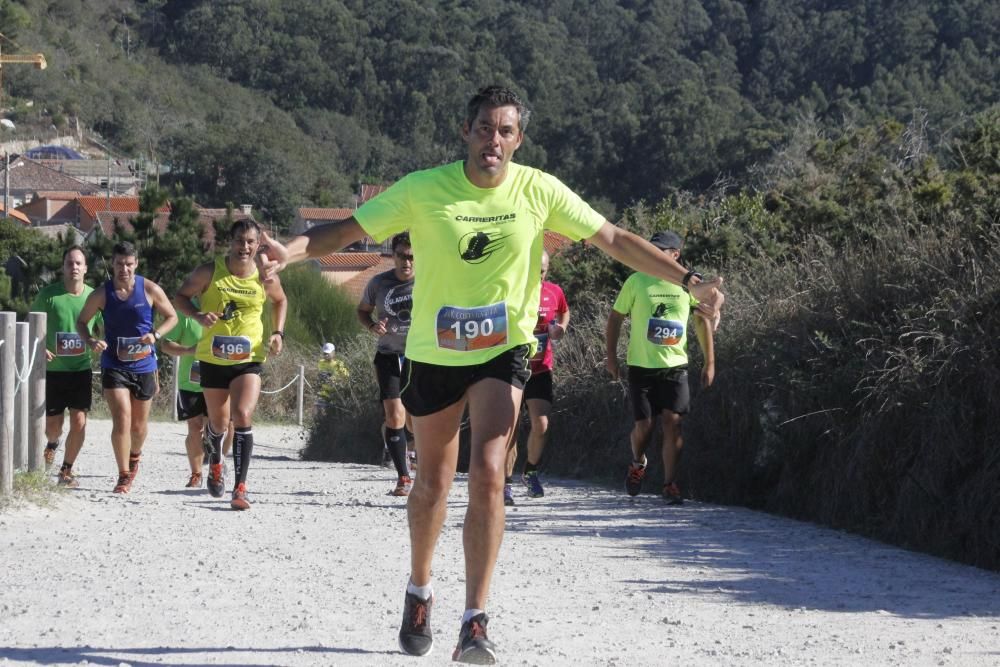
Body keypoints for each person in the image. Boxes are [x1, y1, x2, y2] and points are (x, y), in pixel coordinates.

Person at [255, 85, 723, 663]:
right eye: (483, 129)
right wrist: (292, 251)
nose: (493, 141)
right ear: (465, 132)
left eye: (505, 131)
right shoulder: (425, 189)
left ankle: (475, 619)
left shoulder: (537, 189)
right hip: (435, 351)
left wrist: (688, 280)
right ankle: (420, 589)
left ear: (518, 139)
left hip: (504, 351)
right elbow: (345, 231)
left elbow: (616, 240)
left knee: (487, 472)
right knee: (431, 484)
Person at [173, 218, 287, 511]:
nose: (244, 247)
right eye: (239, 241)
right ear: (230, 242)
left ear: (257, 244)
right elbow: (180, 297)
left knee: (242, 414)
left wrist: (277, 332)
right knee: (218, 424)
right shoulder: (210, 272)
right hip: (213, 358)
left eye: (250, 242)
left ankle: (240, 486)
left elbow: (280, 301)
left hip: (249, 358)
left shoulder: (264, 276)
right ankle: (215, 462)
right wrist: (198, 316)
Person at [605, 230, 716, 504]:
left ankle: (669, 484)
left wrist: (710, 361)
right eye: (651, 250)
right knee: (644, 428)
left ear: (675, 254)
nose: (653, 255)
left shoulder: (690, 285)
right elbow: (615, 318)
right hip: (641, 367)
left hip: (675, 367)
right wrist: (611, 356)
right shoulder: (636, 280)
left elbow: (702, 321)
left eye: (661, 251)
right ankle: (638, 462)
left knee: (673, 424)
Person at [75, 241, 178, 494]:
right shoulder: (101, 293)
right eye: (119, 264)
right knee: (122, 417)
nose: (124, 269)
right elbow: (82, 322)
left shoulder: (150, 289)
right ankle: (122, 474)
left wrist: (155, 334)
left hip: (144, 365)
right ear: (113, 264)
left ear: (136, 264)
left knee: (139, 427)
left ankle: (134, 456)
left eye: (129, 264)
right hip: (114, 364)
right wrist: (90, 340)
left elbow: (172, 317)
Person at [32, 246, 102, 487]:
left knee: (80, 421)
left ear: (85, 268)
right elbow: (32, 326)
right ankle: (52, 444)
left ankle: (66, 470)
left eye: (78, 263)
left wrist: (101, 342)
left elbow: (106, 328)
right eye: (70, 263)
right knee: (53, 426)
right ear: (63, 267)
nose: (74, 267)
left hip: (80, 370)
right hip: (52, 371)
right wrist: (41, 347)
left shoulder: (94, 296)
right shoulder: (48, 296)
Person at [502, 250, 568, 505]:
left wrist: (560, 328)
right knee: (511, 429)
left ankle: (529, 471)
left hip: (541, 369)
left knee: (541, 425)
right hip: (512, 369)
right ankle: (505, 486)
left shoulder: (553, 291)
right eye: (534, 269)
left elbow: (563, 311)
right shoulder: (512, 290)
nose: (538, 275)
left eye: (542, 270)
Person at [357, 231, 415, 496]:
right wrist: (372, 325)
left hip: (420, 356)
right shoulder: (379, 283)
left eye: (412, 257)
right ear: (393, 256)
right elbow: (363, 310)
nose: (407, 262)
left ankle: (423, 466)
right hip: (389, 355)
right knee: (395, 415)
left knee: (417, 419)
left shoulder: (429, 282)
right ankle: (403, 477)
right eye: (402, 256)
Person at [160, 307, 234, 488]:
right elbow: (165, 344)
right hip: (191, 383)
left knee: (224, 426)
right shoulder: (185, 312)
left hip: (220, 381)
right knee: (195, 427)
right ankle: (196, 474)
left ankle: (218, 463)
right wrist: (189, 350)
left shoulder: (226, 309)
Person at [316, 341, 349, 407]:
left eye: (328, 353)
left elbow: (346, 375)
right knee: (320, 407)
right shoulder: (320, 362)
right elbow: (320, 373)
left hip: (336, 391)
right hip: (324, 391)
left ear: (333, 353)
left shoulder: (338, 363)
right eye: (324, 353)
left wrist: (339, 376)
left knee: (334, 408)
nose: (326, 355)